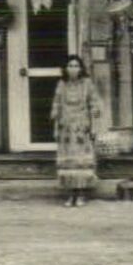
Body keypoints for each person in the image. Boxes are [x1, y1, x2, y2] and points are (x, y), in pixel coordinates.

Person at [51, 54, 102, 207]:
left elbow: (94, 104)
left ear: (81, 68)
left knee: (81, 161)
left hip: (82, 127)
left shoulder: (87, 84)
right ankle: (70, 195)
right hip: (66, 128)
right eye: (70, 66)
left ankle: (81, 195)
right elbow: (57, 106)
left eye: (76, 66)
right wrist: (56, 127)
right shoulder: (62, 84)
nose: (73, 69)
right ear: (65, 68)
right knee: (69, 162)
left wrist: (94, 126)